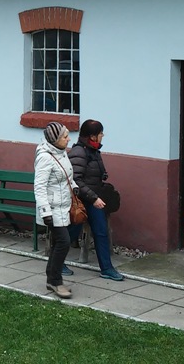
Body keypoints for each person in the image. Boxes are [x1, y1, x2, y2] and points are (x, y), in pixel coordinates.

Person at [68, 119, 124, 281]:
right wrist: (93, 198)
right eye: (100, 133)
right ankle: (56, 264)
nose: (102, 136)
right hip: (82, 201)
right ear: (92, 136)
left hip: (94, 199)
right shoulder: (79, 152)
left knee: (101, 232)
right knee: (71, 233)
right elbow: (76, 180)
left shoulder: (94, 151)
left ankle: (106, 268)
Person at [34, 121, 74, 299]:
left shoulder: (61, 152)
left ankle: (51, 278)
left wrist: (75, 187)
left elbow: (67, 177)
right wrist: (45, 212)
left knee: (60, 243)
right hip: (51, 209)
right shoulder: (45, 157)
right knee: (64, 242)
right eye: (65, 136)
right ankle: (56, 281)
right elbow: (39, 187)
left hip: (63, 206)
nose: (68, 139)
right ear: (55, 139)